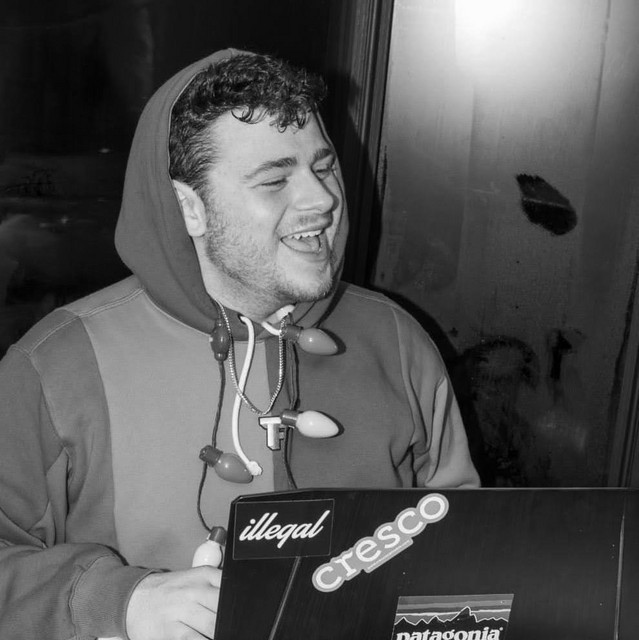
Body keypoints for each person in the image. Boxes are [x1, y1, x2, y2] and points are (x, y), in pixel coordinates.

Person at [0, 49, 479, 640]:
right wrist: (120, 602)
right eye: (275, 179)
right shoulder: (56, 366)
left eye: (324, 167)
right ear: (190, 208)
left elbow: (465, 538)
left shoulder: (398, 339)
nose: (322, 200)